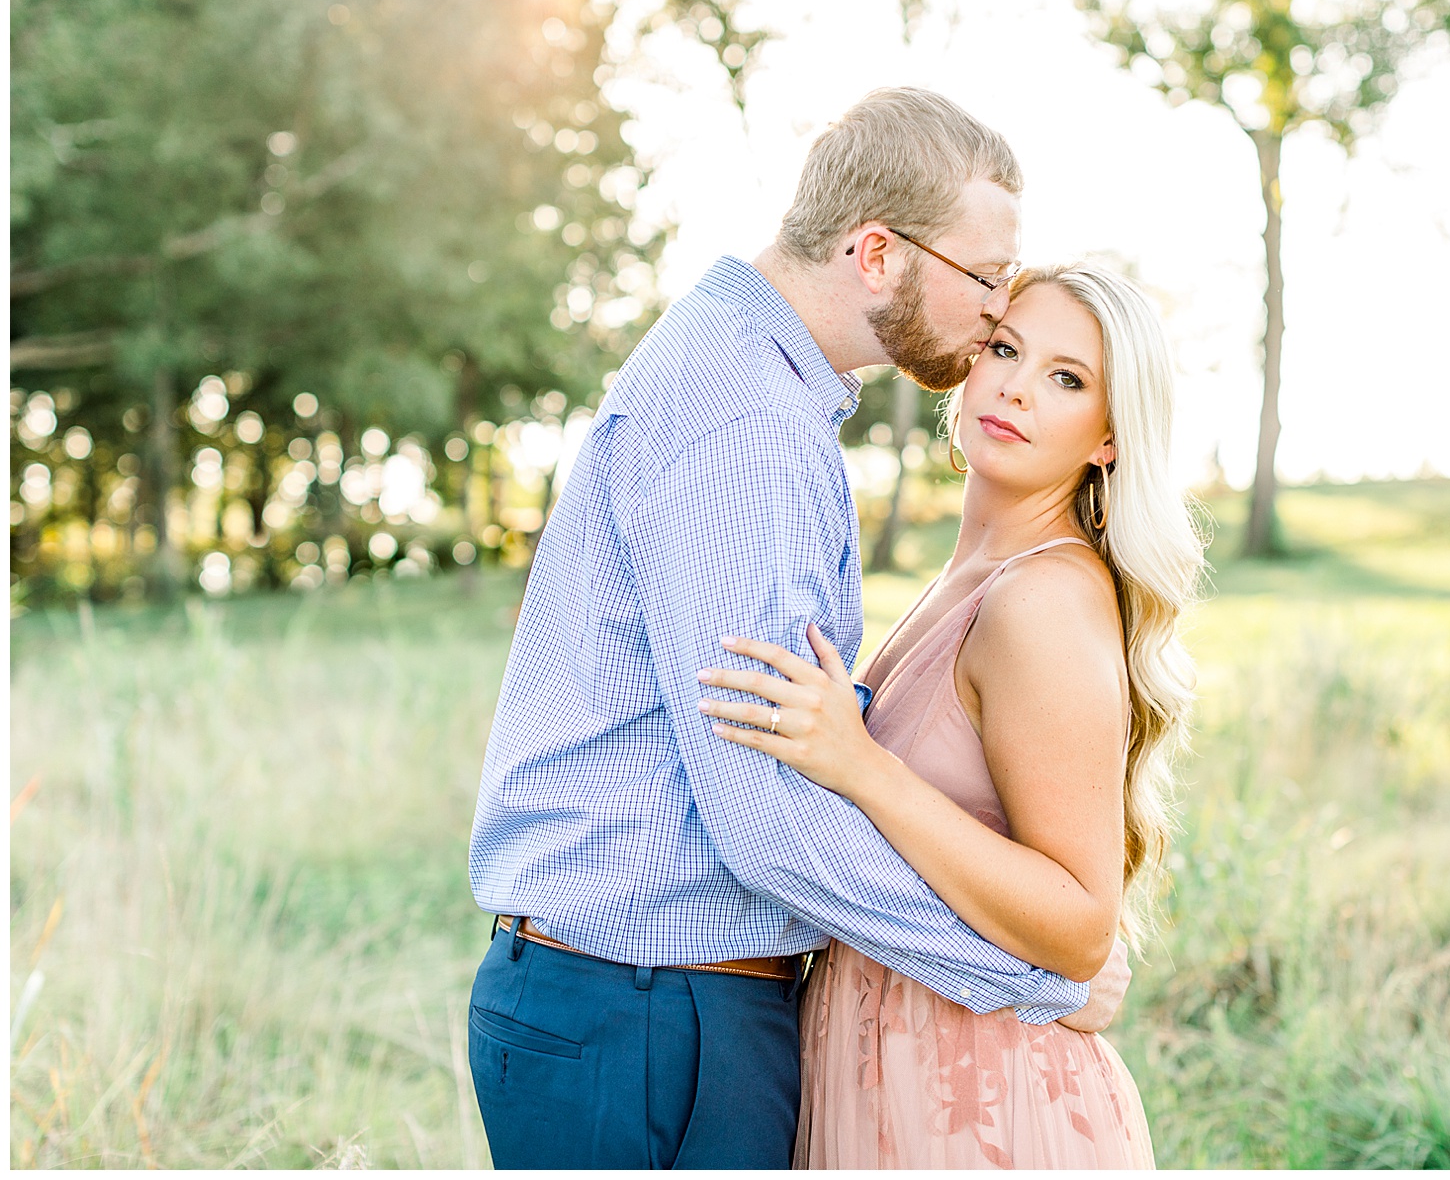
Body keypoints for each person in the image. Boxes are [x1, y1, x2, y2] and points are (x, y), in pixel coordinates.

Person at [464, 88, 1130, 1170]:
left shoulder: (750, 383)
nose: (997, 311)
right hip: (651, 1019)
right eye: (986, 276)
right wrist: (1031, 975)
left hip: (641, 1006)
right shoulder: (750, 428)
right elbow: (765, 814)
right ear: (877, 253)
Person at [699, 262, 1204, 1167]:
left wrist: (861, 764)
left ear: (1110, 439)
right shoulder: (966, 578)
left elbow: (1081, 925)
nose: (1014, 385)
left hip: (980, 1097)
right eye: (1005, 348)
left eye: (1067, 378)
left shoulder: (1040, 600)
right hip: (890, 1060)